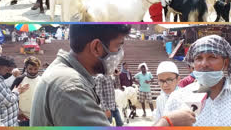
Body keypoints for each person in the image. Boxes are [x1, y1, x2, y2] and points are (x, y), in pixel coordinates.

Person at [30, 25, 195, 126]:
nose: (120, 54)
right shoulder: (70, 87)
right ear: (96, 47)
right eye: (118, 46)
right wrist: (166, 122)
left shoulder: (61, 72)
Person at [164, 35, 231, 126]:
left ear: (225, 63)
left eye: (212, 57)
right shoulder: (177, 99)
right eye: (198, 58)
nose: (204, 64)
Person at [0, 56, 29, 126]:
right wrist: (17, 91)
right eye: (7, 70)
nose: (10, 73)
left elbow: (4, 100)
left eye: (11, 71)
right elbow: (8, 101)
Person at [11, 57, 41, 126]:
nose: (33, 71)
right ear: (26, 68)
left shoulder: (42, 80)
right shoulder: (19, 79)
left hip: (37, 116)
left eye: (35, 69)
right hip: (22, 117)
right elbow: (11, 96)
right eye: (30, 69)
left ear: (38, 68)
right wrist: (18, 111)